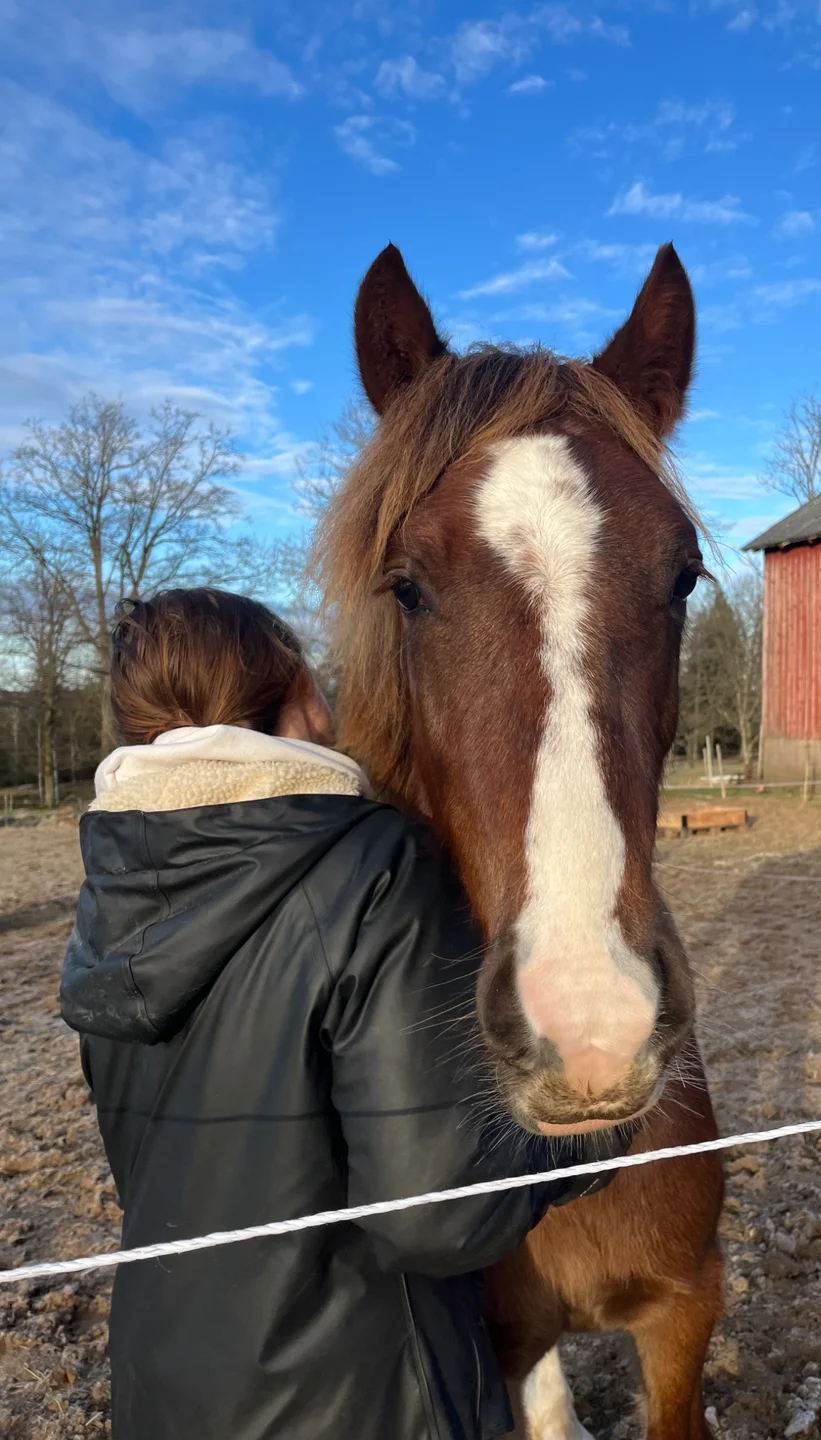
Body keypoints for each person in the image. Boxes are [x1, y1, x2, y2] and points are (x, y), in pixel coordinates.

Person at [60, 587, 622, 1440]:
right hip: (359, 1399)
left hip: (161, 1386)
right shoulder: (373, 866)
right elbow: (436, 1217)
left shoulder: (109, 895)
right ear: (299, 695)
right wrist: (593, 1132)